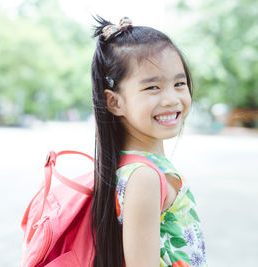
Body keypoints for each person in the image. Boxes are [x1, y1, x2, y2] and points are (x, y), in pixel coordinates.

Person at [90, 16, 208, 267]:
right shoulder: (144, 178)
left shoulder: (130, 166)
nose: (171, 99)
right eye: (152, 87)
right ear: (114, 102)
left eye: (179, 83)